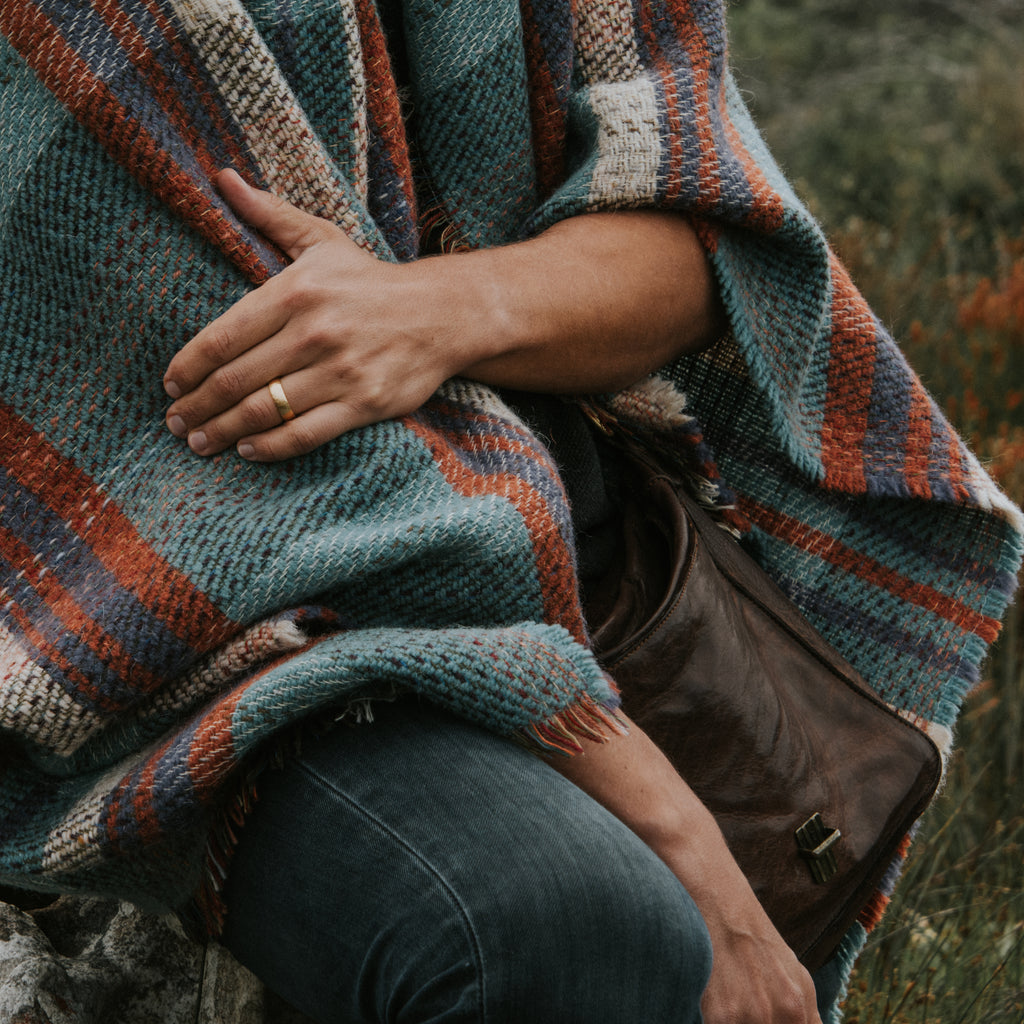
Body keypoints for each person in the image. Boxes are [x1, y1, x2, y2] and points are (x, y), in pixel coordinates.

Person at [0, 2, 1019, 1023]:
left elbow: (695, 242)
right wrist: (673, 827)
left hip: (587, 576)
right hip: (204, 631)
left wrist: (440, 311)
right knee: (565, 923)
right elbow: (285, 475)